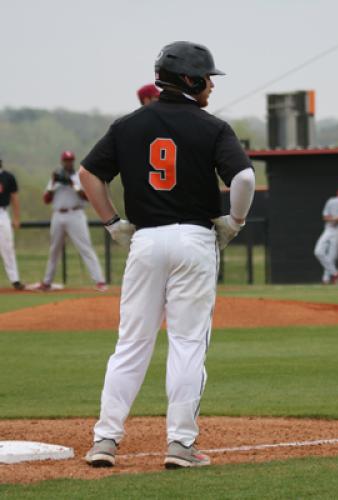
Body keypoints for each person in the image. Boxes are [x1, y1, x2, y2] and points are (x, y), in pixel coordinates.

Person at [80, 41, 255, 469]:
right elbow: (245, 179)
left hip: (145, 241)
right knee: (188, 343)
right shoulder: (213, 128)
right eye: (208, 77)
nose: (212, 84)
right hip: (195, 240)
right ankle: (179, 445)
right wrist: (234, 221)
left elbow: (88, 174)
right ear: (190, 80)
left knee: (131, 343)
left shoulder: (127, 125)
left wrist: (112, 222)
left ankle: (105, 439)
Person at [36, 150, 107, 291]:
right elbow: (46, 199)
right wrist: (54, 184)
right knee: (54, 250)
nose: (68, 162)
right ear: (62, 161)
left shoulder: (78, 177)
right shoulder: (56, 178)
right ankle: (47, 282)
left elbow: (87, 196)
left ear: (73, 161)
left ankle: (100, 281)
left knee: (85, 247)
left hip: (75, 214)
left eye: (70, 160)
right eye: (66, 160)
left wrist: (72, 184)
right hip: (58, 215)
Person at [0, 154, 24, 290]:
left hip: (3, 213)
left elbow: (14, 198)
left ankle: (15, 280)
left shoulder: (8, 177)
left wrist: (16, 217)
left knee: (7, 247)